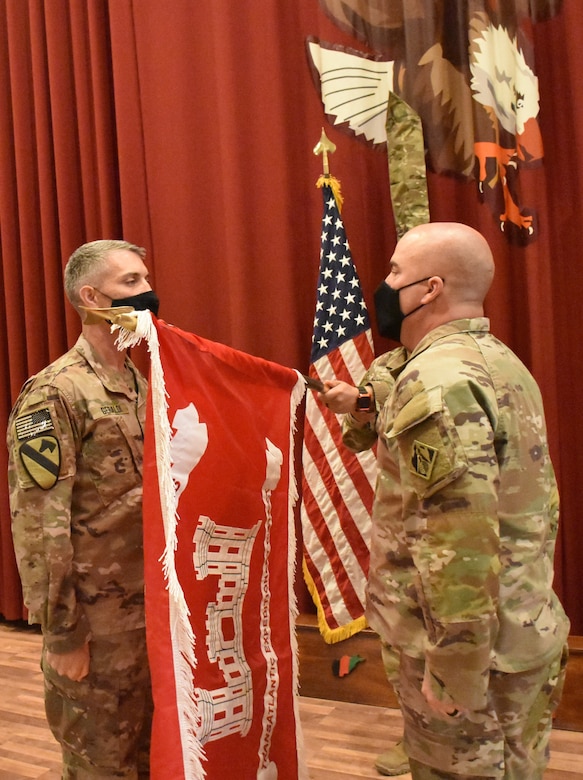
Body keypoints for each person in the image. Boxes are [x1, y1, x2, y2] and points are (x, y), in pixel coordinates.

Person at [318, 222, 570, 779]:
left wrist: (456, 667)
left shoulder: (437, 380)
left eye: (394, 273)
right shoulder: (494, 359)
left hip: (476, 656)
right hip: (516, 632)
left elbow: (460, 541)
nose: (382, 287)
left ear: (429, 289)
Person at [7, 239, 159, 779]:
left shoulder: (143, 383)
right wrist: (64, 633)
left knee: (146, 756)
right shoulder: (55, 393)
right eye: (132, 283)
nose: (148, 294)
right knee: (100, 765)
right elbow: (39, 527)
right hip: (96, 625)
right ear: (91, 296)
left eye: (146, 280)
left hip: (149, 617)